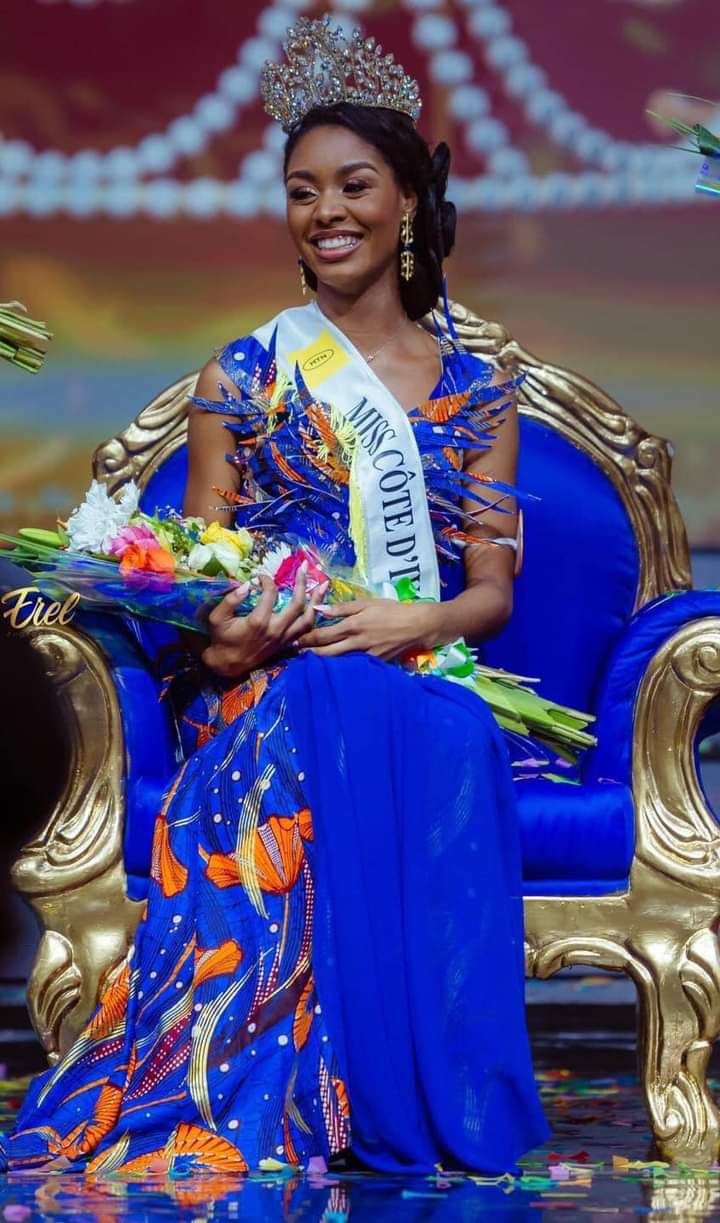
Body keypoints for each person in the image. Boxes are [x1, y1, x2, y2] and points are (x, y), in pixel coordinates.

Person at [3, 16, 550, 1177]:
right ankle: (245, 1086)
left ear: (406, 200)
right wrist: (224, 630)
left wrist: (421, 618)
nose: (327, 211)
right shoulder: (242, 373)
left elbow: (491, 591)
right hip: (270, 679)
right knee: (303, 724)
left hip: (418, 663)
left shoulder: (481, 391)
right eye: (303, 191)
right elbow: (203, 561)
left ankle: (397, 1089)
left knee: (445, 729)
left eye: (354, 184)